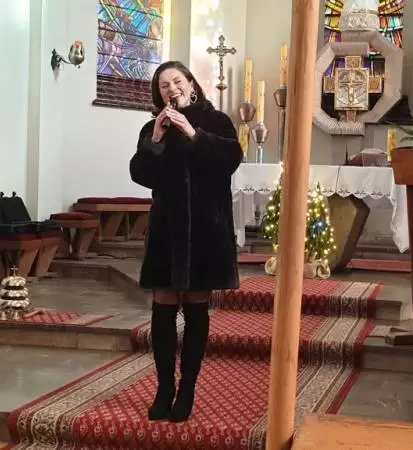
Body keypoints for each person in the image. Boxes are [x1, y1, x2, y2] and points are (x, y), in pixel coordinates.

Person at [129, 61, 242, 423]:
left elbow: (231, 160)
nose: (171, 89)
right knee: (162, 306)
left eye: (177, 81)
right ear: (158, 94)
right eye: (164, 85)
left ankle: (187, 387)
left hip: (206, 229)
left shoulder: (216, 121)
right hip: (166, 230)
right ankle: (164, 388)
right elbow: (140, 174)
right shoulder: (153, 128)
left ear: (191, 84)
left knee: (195, 306)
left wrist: (193, 133)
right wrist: (157, 138)